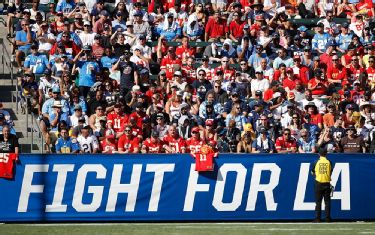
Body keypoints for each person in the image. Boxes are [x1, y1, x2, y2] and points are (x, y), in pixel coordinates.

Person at [311, 148, 333, 223]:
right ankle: (327, 218)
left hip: (318, 183)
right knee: (327, 202)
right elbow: (330, 171)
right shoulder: (329, 161)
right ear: (326, 154)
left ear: (319, 154)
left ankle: (317, 218)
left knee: (318, 202)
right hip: (327, 183)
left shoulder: (316, 161)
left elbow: (312, 172)